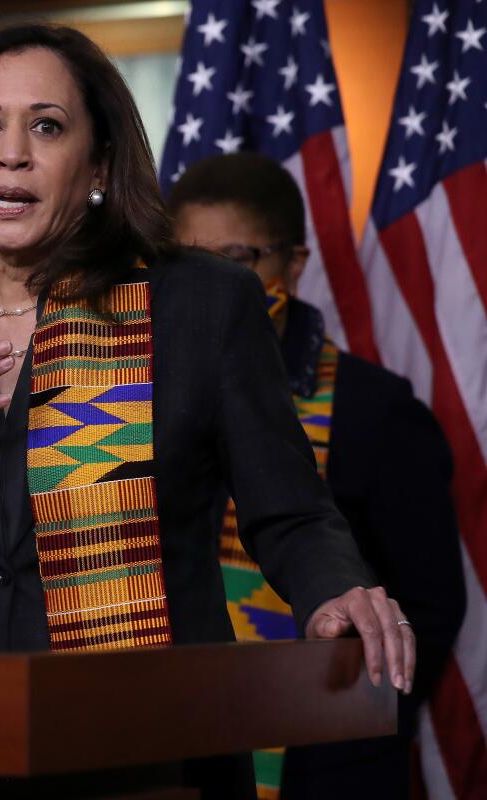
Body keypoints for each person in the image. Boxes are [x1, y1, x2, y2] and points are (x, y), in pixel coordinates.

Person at [0, 24, 416, 798]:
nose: (12, 151)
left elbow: (291, 514)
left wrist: (336, 591)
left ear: (97, 167)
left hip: (152, 760)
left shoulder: (199, 309)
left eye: (47, 126)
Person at [168, 152, 465, 800]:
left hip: (331, 759)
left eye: (236, 260)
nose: (214, 287)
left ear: (293, 265)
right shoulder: (152, 404)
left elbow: (432, 601)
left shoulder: (378, 411)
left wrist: (358, 712)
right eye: (192, 263)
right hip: (184, 742)